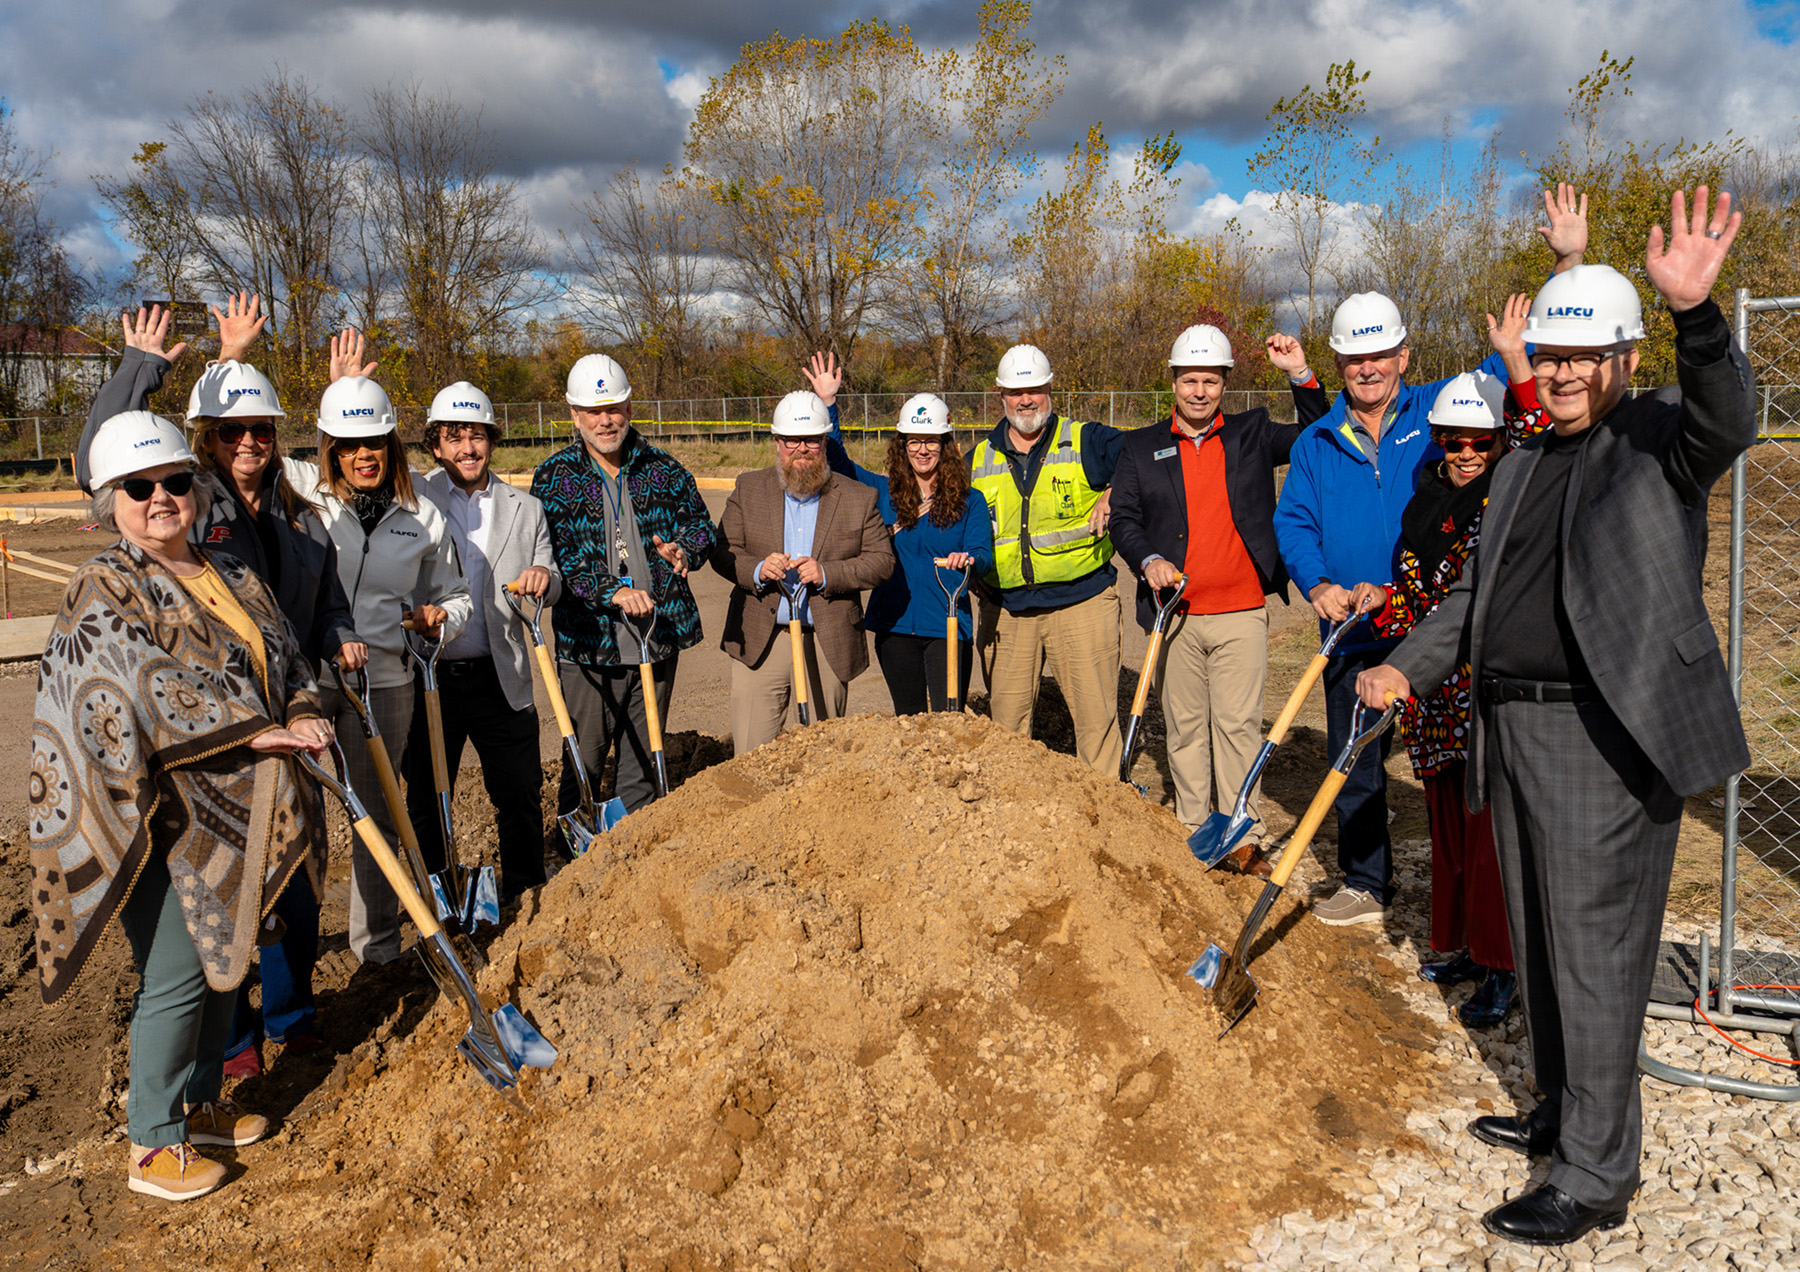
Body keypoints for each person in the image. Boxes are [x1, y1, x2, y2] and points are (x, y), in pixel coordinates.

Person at [1358, 188, 1753, 1246]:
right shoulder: (1524, 457)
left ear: (1624, 357)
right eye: (1553, 355)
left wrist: (1698, 319)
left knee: (1592, 951)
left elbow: (1732, 416)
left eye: (1587, 356)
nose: (1568, 372)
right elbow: (1473, 594)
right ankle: (1562, 1113)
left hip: (1606, 736)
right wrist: (1404, 665)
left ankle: (1594, 1173)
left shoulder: (1663, 437)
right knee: (1537, 937)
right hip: (1511, 729)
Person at [32, 410, 333, 1200]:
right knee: (176, 971)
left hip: (241, 801)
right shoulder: (104, 583)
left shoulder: (231, 571)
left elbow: (286, 656)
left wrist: (300, 708)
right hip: (158, 814)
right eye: (139, 487)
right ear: (110, 500)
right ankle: (152, 1143)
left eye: (172, 481)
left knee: (223, 964)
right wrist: (251, 726)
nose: (161, 498)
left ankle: (200, 1107)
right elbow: (137, 681)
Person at [1273, 186, 1589, 927]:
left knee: (1459, 768)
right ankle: (1366, 882)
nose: (1367, 368)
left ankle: (1479, 904)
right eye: (1354, 357)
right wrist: (1316, 585)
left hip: (1436, 628)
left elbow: (1528, 349)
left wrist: (1568, 263)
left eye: (1381, 354)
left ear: (1403, 356)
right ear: (1340, 363)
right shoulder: (1317, 442)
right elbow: (1294, 522)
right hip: (1353, 627)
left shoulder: (1446, 410)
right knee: (1353, 763)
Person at [72, 296, 363, 1078]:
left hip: (295, 716)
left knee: (300, 878)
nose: (247, 443)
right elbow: (104, 457)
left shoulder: (300, 511)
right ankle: (232, 1045)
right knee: (235, 891)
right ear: (207, 440)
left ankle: (295, 1016)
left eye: (260, 430)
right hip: (220, 734)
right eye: (231, 431)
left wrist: (336, 647)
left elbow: (325, 595)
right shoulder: (196, 503)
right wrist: (161, 368)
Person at [1348, 297, 1547, 1029]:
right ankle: (1461, 946)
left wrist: (1518, 361)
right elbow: (1414, 593)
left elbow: (1537, 432)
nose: (1466, 454)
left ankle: (1503, 966)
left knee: (1493, 840)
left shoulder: (1514, 490)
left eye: (1479, 443)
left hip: (1487, 696)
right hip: (1434, 700)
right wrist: (1379, 605)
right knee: (1449, 833)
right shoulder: (1424, 500)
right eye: (1453, 442)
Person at [291, 331, 471, 965]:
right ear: (331, 449)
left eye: (375, 442)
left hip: (388, 681)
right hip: (308, 682)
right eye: (349, 444)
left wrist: (433, 618)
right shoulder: (304, 497)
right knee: (296, 818)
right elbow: (225, 459)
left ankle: (379, 949)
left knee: (378, 817)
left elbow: (458, 597)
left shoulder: (421, 514)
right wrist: (336, 389)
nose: (364, 455)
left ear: (391, 443)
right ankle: (292, 960)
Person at [1109, 325, 1306, 875]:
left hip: (1242, 609)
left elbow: (1320, 432)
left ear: (1225, 383)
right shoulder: (1141, 445)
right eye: (1190, 379)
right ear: (1173, 380)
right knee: (1186, 725)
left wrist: (1300, 374)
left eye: (1211, 381)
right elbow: (1123, 518)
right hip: (1176, 614)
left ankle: (1242, 832)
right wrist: (1148, 561)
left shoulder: (1253, 433)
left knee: (1238, 726)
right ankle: (1194, 830)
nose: (1200, 391)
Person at [531, 354, 714, 812]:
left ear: (629, 408)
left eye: (613, 408)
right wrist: (612, 591)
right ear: (575, 415)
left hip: (655, 636)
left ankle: (631, 864)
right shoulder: (554, 477)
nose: (606, 420)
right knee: (585, 761)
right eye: (594, 411)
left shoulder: (663, 468)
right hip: (590, 644)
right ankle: (575, 856)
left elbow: (700, 525)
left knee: (643, 763)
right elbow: (558, 555)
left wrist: (684, 550)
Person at [406, 381, 559, 900]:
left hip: (502, 677)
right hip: (430, 678)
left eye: (477, 436)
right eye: (454, 437)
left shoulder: (526, 507)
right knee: (429, 798)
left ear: (492, 441)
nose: (467, 448)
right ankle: (439, 900)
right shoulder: (416, 498)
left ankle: (524, 893)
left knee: (519, 793)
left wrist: (543, 574)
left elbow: (552, 576)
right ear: (435, 445)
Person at [802, 354, 994, 713]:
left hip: (948, 626)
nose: (923, 450)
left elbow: (983, 554)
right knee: (907, 720)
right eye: (913, 441)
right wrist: (829, 403)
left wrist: (969, 560)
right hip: (895, 628)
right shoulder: (884, 493)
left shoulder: (971, 501)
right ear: (902, 446)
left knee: (947, 721)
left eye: (932, 441)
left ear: (946, 445)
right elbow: (838, 464)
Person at [969, 344, 1126, 775]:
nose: (1026, 400)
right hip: (1006, 613)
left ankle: (1105, 821)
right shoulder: (978, 460)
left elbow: (1146, 459)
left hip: (1082, 605)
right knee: (1006, 730)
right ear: (1000, 395)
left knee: (1096, 726)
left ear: (1049, 390)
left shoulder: (1086, 441)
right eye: (1016, 391)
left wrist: (1117, 492)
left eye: (1035, 390)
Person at [712, 389, 894, 752]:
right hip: (762, 640)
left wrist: (826, 573)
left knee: (822, 761)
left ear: (824, 441)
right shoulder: (750, 488)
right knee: (751, 754)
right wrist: (759, 568)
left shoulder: (857, 497)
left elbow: (881, 560)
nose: (802, 449)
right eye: (792, 440)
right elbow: (722, 550)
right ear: (777, 441)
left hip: (826, 638)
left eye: (811, 440)